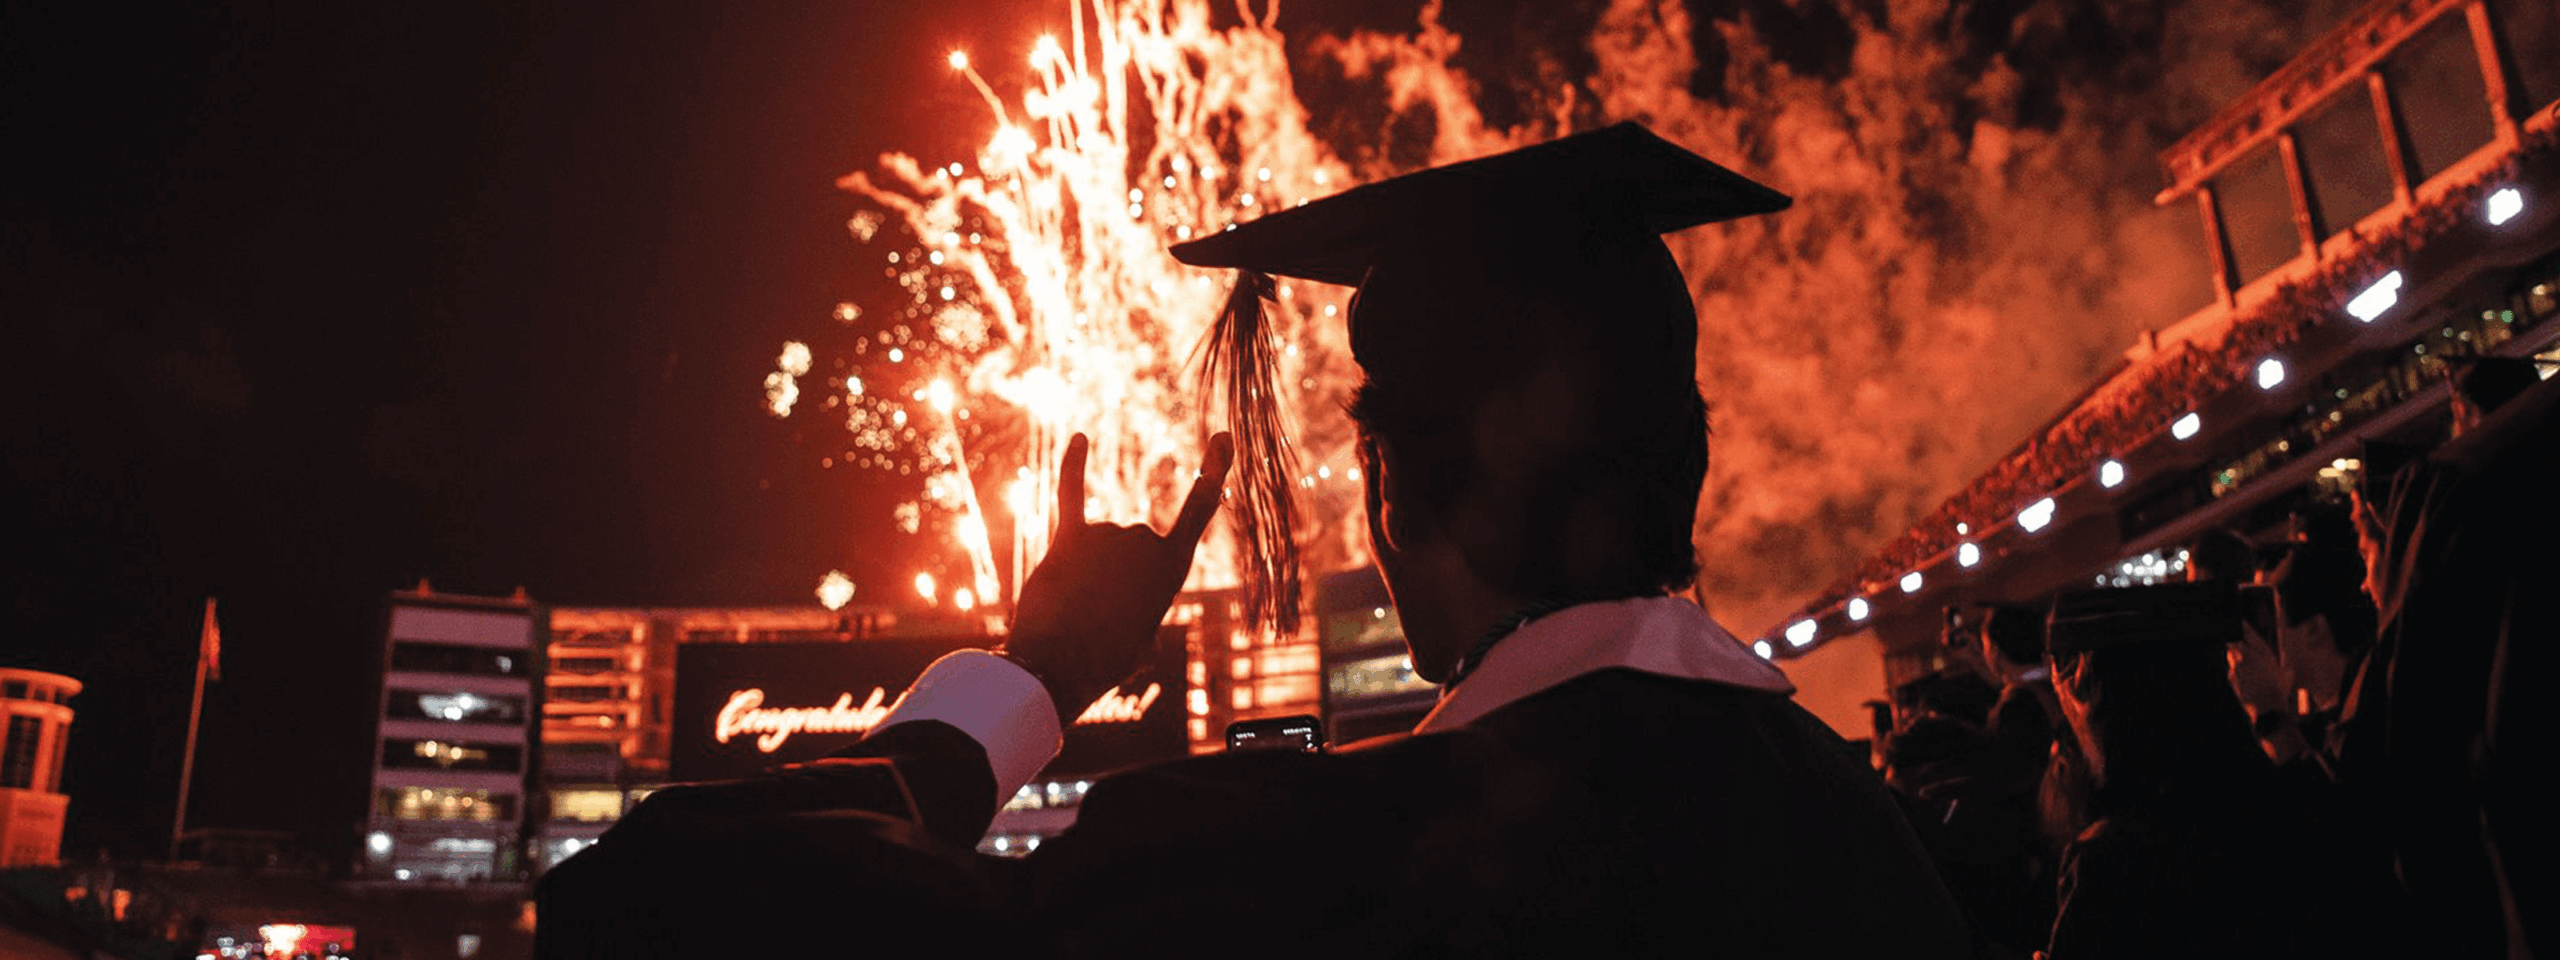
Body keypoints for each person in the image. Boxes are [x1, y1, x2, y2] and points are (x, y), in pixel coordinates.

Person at [535, 124, 1972, 957]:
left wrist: (1027, 684)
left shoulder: (1298, 864)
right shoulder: (1882, 846)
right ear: (1687, 462)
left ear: (1392, 495)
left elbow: (634, 906)